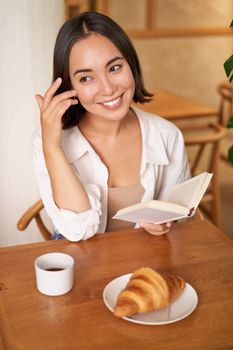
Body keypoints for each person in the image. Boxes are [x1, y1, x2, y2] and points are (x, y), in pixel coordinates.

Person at [33, 11, 190, 241]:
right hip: (82, 261)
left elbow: (178, 218)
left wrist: (167, 222)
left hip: (147, 259)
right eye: (86, 78)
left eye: (114, 68)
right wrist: (53, 147)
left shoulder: (167, 135)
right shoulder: (47, 141)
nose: (107, 89)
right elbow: (77, 230)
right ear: (69, 86)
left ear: (131, 64)